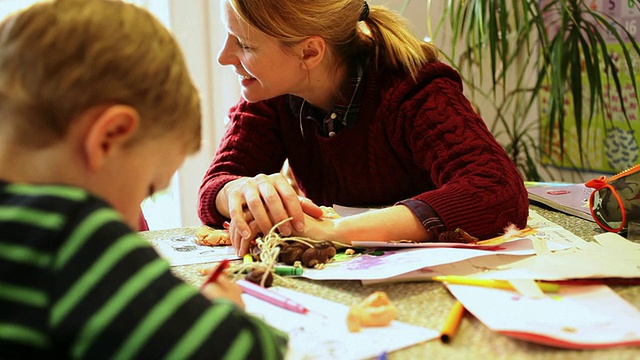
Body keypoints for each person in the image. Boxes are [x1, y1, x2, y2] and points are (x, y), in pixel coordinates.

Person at [0, 0, 287, 358]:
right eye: (149, 187)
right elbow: (244, 350)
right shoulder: (68, 236)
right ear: (109, 137)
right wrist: (224, 308)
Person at [198, 0, 529, 256]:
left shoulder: (413, 87)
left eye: (245, 44)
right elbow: (215, 185)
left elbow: (497, 190)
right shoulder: (271, 92)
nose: (224, 57)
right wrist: (237, 191)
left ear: (310, 51)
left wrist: (335, 233)